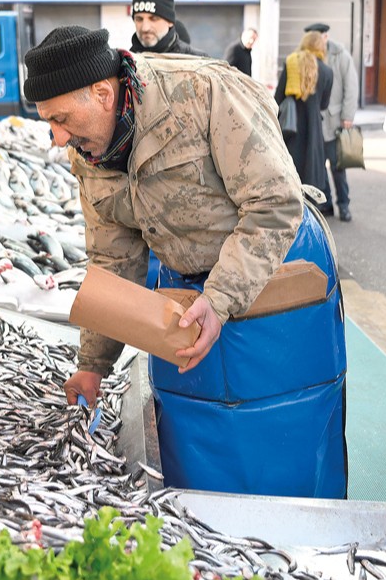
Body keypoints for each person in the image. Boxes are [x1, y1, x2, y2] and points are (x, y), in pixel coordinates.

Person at [24, 26, 347, 499]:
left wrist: (220, 300)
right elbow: (114, 258)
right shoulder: (89, 148)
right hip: (190, 286)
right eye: (47, 122)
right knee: (197, 438)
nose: (56, 137)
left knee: (283, 437)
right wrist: (94, 363)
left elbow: (274, 204)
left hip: (278, 279)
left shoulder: (203, 92)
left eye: (61, 119)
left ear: (102, 93)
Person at [305, 22, 359, 221]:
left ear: (326, 37)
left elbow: (351, 87)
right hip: (315, 123)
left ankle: (344, 205)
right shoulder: (307, 56)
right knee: (319, 166)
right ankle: (326, 204)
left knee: (338, 166)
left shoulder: (340, 55)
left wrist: (348, 116)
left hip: (335, 120)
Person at [275, 31, 333, 196]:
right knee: (311, 172)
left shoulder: (292, 62)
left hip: (290, 127)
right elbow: (324, 104)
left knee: (290, 172)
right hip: (313, 127)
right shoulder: (327, 71)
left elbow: (278, 97)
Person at [129, 0, 207, 57]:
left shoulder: (198, 60)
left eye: (153, 19)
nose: (145, 28)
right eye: (139, 19)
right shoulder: (126, 62)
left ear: (170, 22)